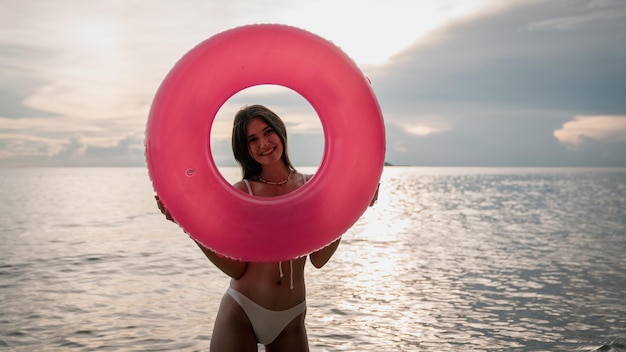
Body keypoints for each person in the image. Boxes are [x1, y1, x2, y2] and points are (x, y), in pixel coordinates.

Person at [157, 104, 378, 351]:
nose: (263, 143)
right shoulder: (242, 194)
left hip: (292, 317)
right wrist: (190, 228)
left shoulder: (312, 187)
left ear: (280, 132)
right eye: (253, 139)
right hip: (242, 310)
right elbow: (237, 269)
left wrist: (353, 212)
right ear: (245, 149)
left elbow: (319, 259)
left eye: (268, 132)